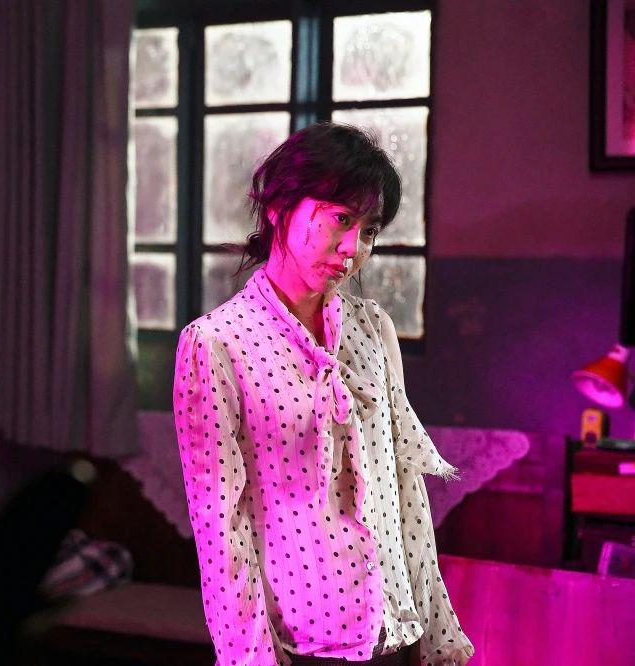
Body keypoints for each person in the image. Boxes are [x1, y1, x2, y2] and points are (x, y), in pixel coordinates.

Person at [172, 123, 474, 666]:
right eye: (340, 219)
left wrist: (435, 635)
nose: (354, 248)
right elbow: (222, 530)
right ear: (278, 208)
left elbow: (405, 491)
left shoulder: (374, 329)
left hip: (395, 636)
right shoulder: (216, 343)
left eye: (369, 230)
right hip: (305, 644)